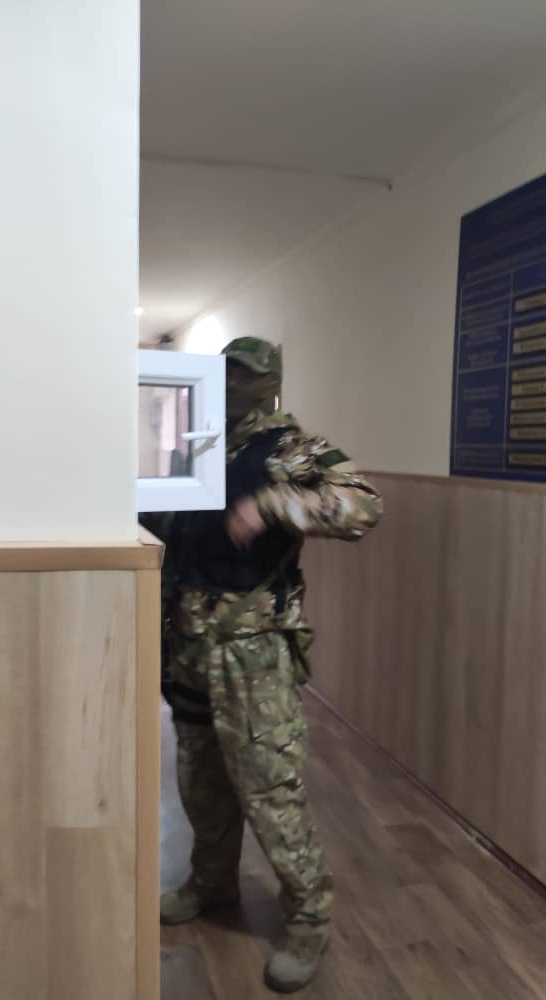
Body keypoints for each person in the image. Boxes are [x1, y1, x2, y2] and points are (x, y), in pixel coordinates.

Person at [155, 337, 382, 993]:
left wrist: (275, 504)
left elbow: (363, 504)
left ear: (268, 381)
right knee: (199, 777)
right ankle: (212, 882)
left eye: (244, 375)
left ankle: (309, 916)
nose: (231, 384)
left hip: (252, 650)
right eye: (223, 372)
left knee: (269, 786)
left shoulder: (290, 447)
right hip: (190, 642)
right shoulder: (199, 447)